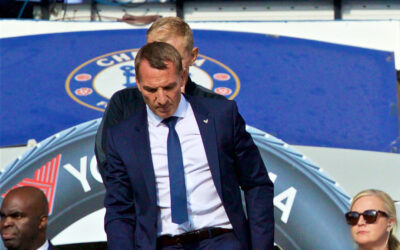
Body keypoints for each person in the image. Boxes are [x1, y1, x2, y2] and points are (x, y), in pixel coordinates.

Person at [103, 42, 274, 249]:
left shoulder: (221, 116)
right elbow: (119, 211)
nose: (161, 98)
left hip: (222, 239)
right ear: (138, 84)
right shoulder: (122, 137)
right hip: (164, 244)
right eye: (151, 89)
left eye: (168, 87)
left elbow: (256, 183)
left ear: (182, 78)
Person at [95, 17, 225, 180]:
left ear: (193, 56)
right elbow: (107, 159)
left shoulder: (217, 107)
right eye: (154, 54)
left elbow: (237, 170)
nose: (162, 65)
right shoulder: (124, 103)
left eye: (173, 57)